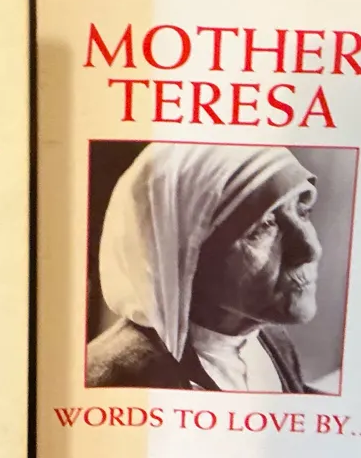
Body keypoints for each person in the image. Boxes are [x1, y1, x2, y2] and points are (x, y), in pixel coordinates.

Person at [86, 143, 324, 392]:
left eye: (303, 212)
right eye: (263, 227)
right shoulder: (115, 380)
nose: (310, 249)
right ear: (180, 256)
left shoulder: (271, 340)